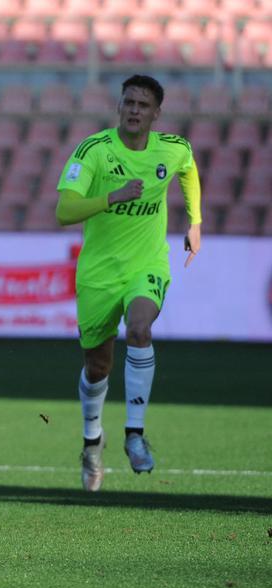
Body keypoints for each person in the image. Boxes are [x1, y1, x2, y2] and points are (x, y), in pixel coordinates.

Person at [55, 74, 202, 492]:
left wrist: (196, 221)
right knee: (97, 366)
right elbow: (64, 211)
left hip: (147, 265)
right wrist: (111, 197)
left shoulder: (172, 149)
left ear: (157, 113)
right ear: (119, 106)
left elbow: (189, 171)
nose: (134, 110)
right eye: (129, 102)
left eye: (143, 104)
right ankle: (91, 442)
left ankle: (134, 434)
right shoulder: (94, 152)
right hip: (100, 273)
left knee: (140, 329)